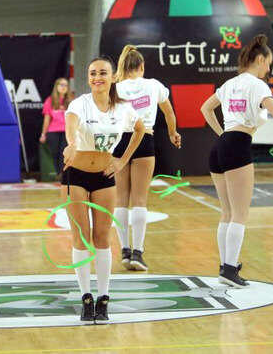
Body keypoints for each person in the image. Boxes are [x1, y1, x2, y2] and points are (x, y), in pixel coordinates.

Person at [200, 34, 273, 288]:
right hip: (238, 145)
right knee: (240, 214)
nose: (268, 69)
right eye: (268, 64)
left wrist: (222, 135)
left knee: (227, 212)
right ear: (260, 59)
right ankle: (230, 269)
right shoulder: (258, 85)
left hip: (221, 146)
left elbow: (205, 108)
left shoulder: (229, 84)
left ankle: (225, 266)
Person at [62, 57, 145, 324]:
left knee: (102, 237)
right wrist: (71, 144)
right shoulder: (80, 103)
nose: (97, 77)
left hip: (105, 176)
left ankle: (103, 297)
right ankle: (86, 297)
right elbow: (71, 125)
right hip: (75, 174)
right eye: (92, 73)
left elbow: (140, 130)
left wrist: (122, 160)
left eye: (102, 73)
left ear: (113, 77)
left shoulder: (124, 109)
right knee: (81, 236)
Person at [112, 45, 181, 272]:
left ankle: (124, 250)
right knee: (140, 200)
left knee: (121, 199)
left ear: (123, 66)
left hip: (120, 141)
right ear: (141, 66)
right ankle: (138, 253)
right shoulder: (153, 85)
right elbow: (169, 112)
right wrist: (173, 133)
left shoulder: (115, 88)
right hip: (144, 139)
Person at [40, 78, 72, 179]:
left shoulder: (71, 101)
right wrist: (43, 134)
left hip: (67, 132)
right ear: (56, 87)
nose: (63, 87)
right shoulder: (50, 100)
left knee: (64, 153)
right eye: (61, 85)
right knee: (54, 153)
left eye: (66, 85)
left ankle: (63, 174)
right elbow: (47, 120)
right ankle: (55, 174)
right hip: (53, 132)